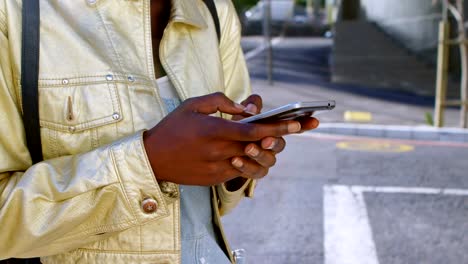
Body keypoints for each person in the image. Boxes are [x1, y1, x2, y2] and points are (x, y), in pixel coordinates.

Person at [0, 0, 319, 263]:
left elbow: (212, 208)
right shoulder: (15, 14)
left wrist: (237, 162)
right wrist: (147, 165)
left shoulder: (213, 13)